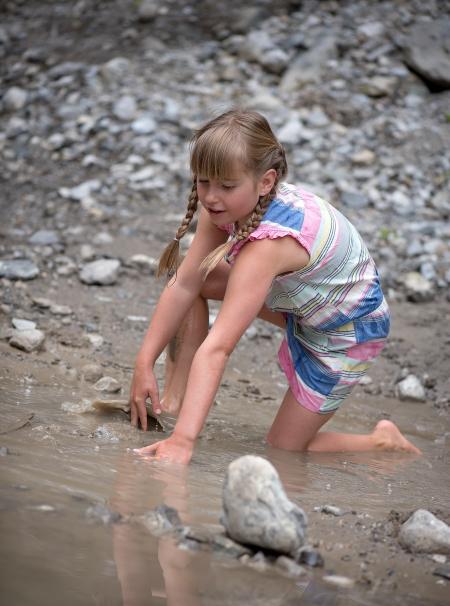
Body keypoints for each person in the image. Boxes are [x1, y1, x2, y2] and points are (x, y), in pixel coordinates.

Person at [130, 109, 420, 463]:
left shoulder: (266, 248)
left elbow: (218, 348)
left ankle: (381, 441)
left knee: (284, 449)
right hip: (301, 301)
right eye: (203, 182)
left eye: (226, 186)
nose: (211, 197)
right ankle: (174, 401)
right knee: (200, 276)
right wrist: (144, 363)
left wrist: (184, 442)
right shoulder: (225, 206)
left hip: (345, 331)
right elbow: (185, 284)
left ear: (265, 183)